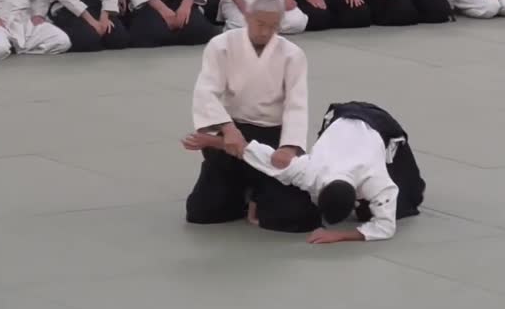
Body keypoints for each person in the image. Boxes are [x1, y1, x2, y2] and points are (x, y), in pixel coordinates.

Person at [182, 101, 426, 244]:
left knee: (409, 201)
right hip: (341, 115)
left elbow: (385, 227)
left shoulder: (376, 181)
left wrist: (340, 236)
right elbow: (267, 158)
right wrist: (217, 142)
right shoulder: (312, 172)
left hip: (383, 128)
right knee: (278, 170)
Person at [186, 0, 319, 233]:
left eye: (273, 26)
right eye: (260, 24)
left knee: (297, 217)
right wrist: (228, 130)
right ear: (247, 16)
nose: (266, 32)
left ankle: (260, 191)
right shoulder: (221, 45)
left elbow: (296, 105)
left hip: (272, 138)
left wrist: (289, 147)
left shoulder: (293, 55)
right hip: (232, 133)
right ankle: (244, 190)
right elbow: (206, 91)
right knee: (201, 212)